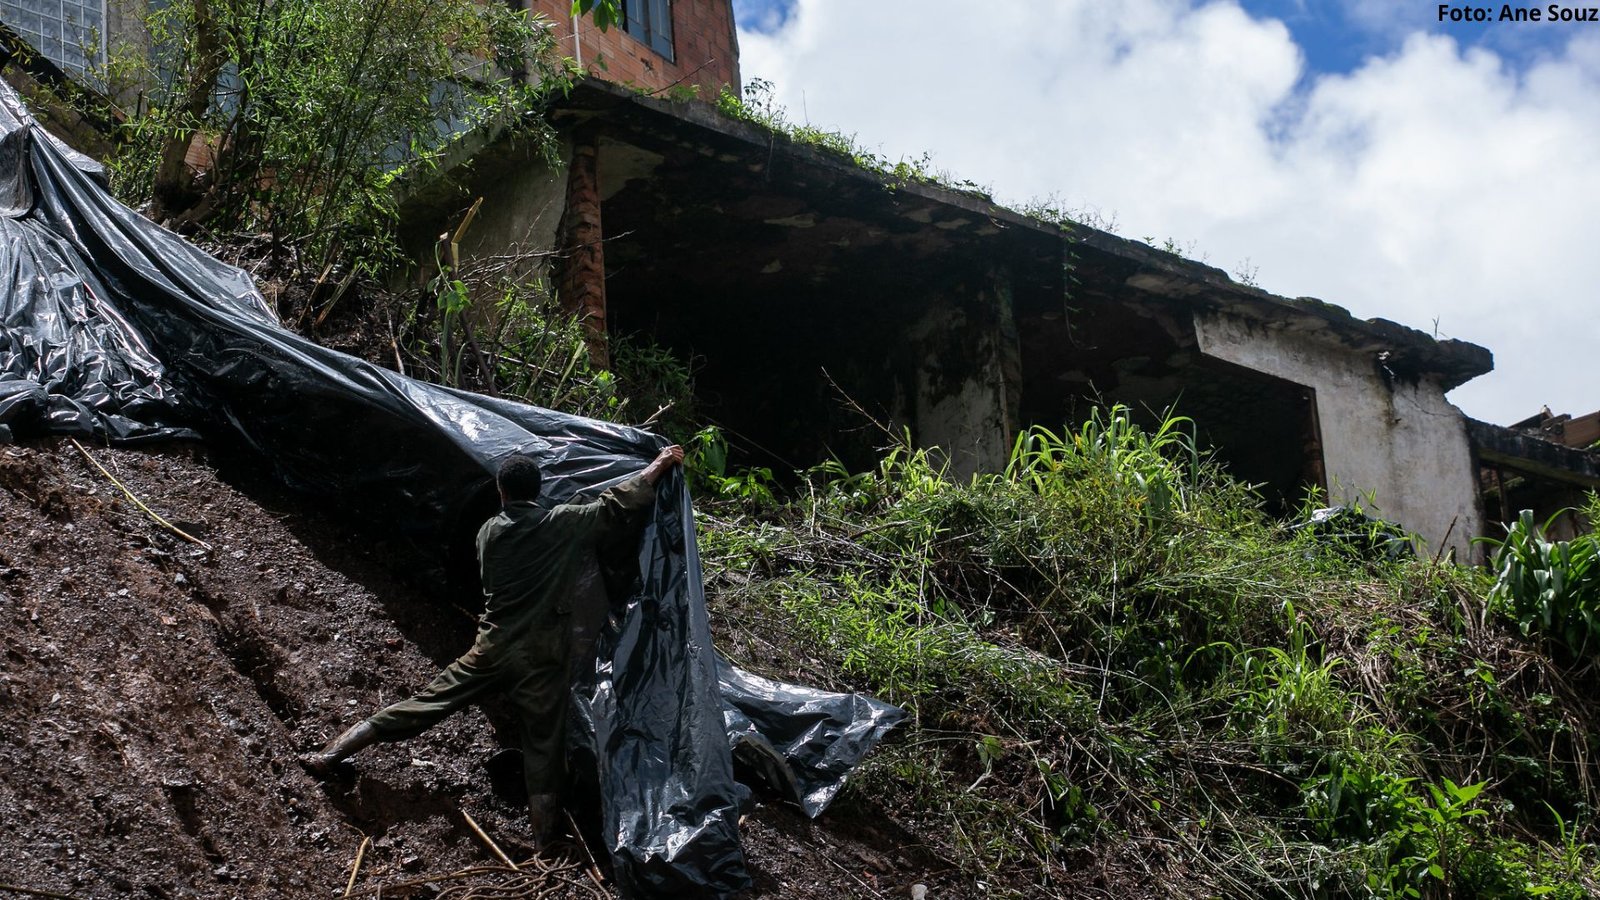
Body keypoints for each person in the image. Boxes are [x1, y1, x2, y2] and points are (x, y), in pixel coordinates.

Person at [302, 444, 685, 847]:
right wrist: (658, 465)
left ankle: (332, 753)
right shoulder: (562, 523)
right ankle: (543, 843)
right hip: (541, 659)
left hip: (491, 648)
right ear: (537, 491)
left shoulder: (487, 533)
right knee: (543, 748)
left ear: (501, 492)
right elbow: (614, 507)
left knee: (426, 703)